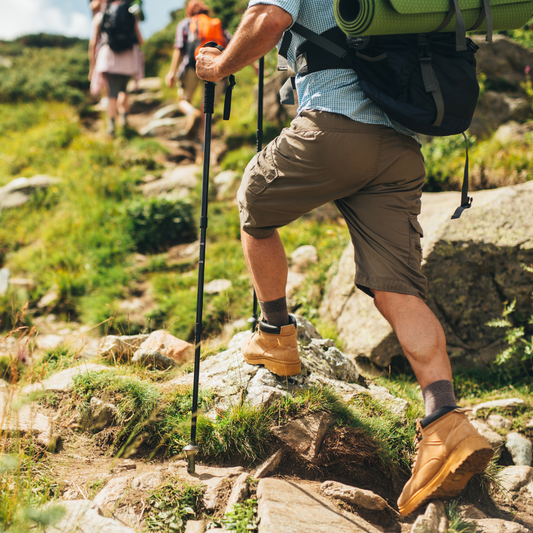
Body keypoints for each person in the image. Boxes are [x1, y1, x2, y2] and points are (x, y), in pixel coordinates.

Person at [195, 0, 494, 518]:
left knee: (254, 204)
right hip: (399, 146)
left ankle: (275, 336)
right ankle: (446, 421)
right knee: (398, 290)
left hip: (335, 127)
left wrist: (219, 66)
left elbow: (267, 21)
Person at [165, 0, 231, 139]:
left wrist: (172, 72)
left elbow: (179, 48)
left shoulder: (185, 23)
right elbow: (232, 45)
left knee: (182, 99)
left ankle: (191, 113)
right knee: (207, 110)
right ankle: (204, 147)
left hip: (192, 65)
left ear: (189, 10)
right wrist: (254, 65)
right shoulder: (216, 24)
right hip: (215, 67)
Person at [89, 0, 144, 137]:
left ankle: (111, 127)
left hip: (108, 57)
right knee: (123, 90)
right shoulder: (131, 13)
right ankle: (124, 120)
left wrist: (92, 67)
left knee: (111, 94)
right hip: (128, 57)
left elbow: (92, 44)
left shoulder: (100, 16)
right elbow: (140, 40)